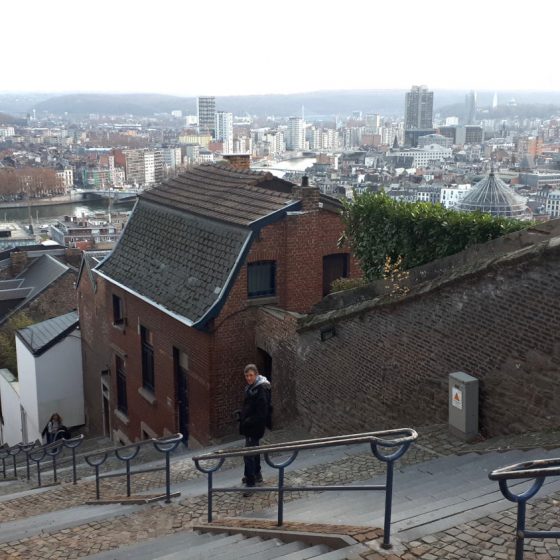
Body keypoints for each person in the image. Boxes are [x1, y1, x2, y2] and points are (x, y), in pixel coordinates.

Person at [239, 364, 270, 495]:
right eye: (246, 376)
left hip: (254, 427)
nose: (248, 378)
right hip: (250, 425)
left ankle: (251, 483)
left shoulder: (260, 390)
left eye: (251, 375)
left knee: (248, 454)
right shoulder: (251, 388)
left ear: (256, 375)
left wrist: (249, 420)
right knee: (255, 451)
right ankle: (257, 474)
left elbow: (262, 411)